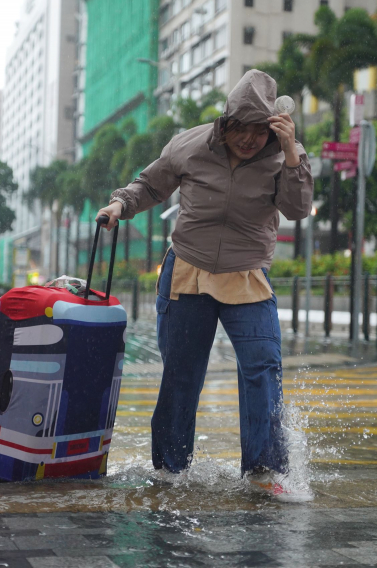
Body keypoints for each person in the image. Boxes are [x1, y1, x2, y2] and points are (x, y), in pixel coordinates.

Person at [96, 70, 312, 498]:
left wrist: (290, 152)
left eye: (259, 131)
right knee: (181, 374)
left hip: (247, 275)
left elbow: (297, 208)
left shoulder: (285, 154)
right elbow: (150, 184)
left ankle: (264, 471)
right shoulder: (189, 145)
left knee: (262, 371)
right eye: (240, 130)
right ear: (224, 123)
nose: (249, 140)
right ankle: (171, 470)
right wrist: (120, 203)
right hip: (188, 272)